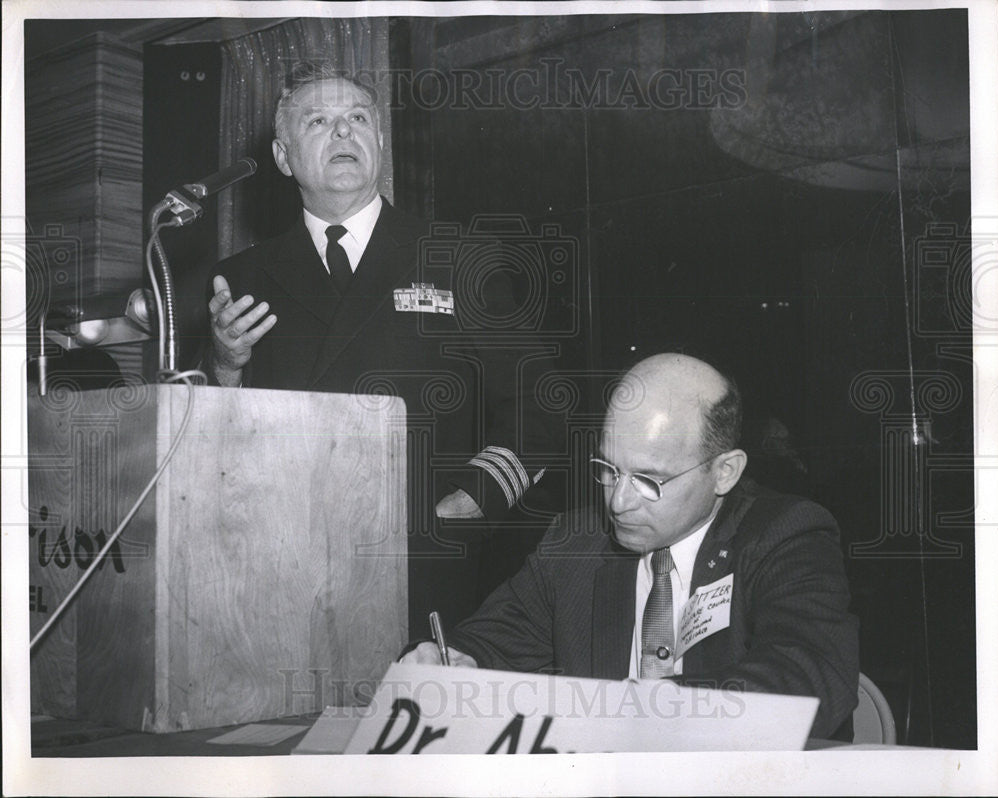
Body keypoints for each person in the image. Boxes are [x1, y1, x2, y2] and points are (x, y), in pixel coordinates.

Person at [205, 63, 557, 631]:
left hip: (420, 559)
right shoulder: (241, 276)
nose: (344, 133)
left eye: (358, 119)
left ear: (379, 143)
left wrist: (475, 498)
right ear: (282, 155)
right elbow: (209, 446)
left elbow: (539, 404)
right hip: (282, 562)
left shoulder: (459, 256)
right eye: (319, 120)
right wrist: (225, 365)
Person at [403, 353, 859, 741]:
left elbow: (808, 676)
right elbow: (489, 642)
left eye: (648, 480)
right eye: (608, 469)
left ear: (725, 472)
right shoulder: (576, 543)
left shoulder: (786, 536)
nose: (618, 502)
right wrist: (456, 658)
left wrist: (644, 710)